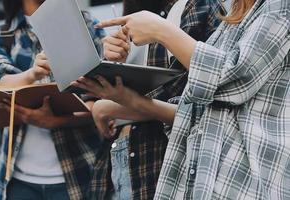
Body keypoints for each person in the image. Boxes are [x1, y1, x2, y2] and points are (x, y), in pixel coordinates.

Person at [75, 0, 290, 199]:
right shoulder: (235, 16)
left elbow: (230, 79)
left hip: (237, 177)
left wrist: (162, 31)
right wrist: (123, 96)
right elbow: (198, 109)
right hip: (199, 173)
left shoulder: (275, 5)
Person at [0, 0, 106, 199]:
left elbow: (104, 101)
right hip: (17, 181)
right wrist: (32, 74)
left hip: (80, 172)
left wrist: (58, 121)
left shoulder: (86, 26)